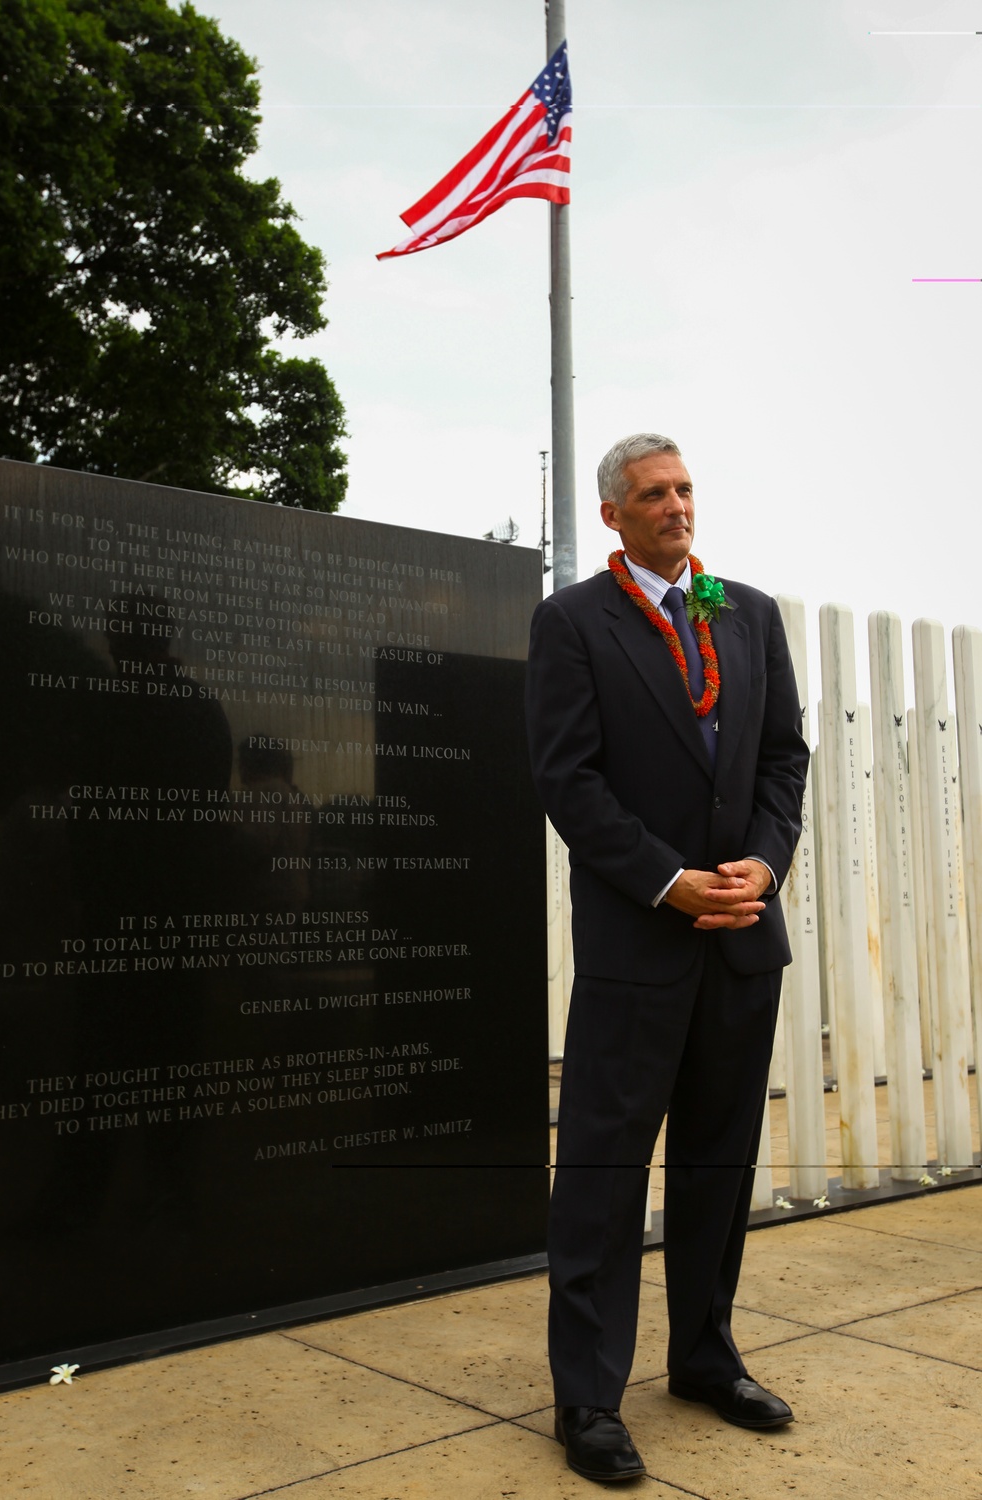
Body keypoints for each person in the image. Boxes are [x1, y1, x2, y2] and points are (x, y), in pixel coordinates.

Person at [525, 433, 809, 1483]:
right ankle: (588, 1396)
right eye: (653, 494)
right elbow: (569, 782)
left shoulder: (749, 613)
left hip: (741, 942)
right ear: (613, 515)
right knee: (601, 1176)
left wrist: (763, 867)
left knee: (716, 1167)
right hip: (635, 947)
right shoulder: (570, 625)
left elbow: (784, 756)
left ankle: (703, 1358)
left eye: (685, 488)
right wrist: (665, 879)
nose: (676, 507)